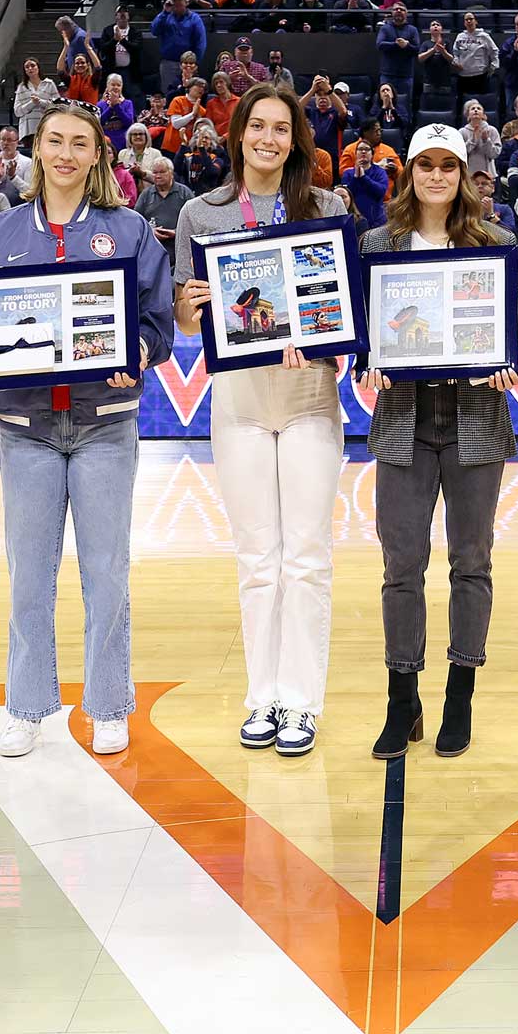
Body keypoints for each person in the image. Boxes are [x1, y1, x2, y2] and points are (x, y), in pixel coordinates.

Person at [0, 103, 174, 757]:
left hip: (104, 423)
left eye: (81, 143)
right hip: (25, 426)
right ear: (36, 149)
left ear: (98, 154)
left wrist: (137, 350)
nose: (67, 154)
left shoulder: (128, 229)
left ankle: (107, 704)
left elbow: (156, 326)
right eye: (56, 141)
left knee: (106, 574)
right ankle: (26, 705)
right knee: (28, 577)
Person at [174, 84, 350, 755]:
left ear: (295, 139)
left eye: (282, 128)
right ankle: (264, 697)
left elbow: (339, 311)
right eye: (258, 126)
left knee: (306, 558)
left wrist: (323, 330)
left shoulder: (325, 207)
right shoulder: (202, 213)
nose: (269, 138)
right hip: (240, 400)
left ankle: (301, 703)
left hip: (307, 395)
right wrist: (193, 302)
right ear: (238, 134)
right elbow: (190, 325)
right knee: (256, 559)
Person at [359, 125, 518, 759]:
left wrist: (507, 362)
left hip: (476, 417)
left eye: (446, 166)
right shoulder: (380, 244)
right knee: (401, 565)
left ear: (463, 174)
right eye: (424, 165)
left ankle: (460, 693)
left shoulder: (496, 243)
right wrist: (365, 364)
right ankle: (403, 699)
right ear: (409, 173)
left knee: (470, 562)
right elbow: (363, 339)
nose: (435, 176)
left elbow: (510, 332)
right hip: (403, 420)